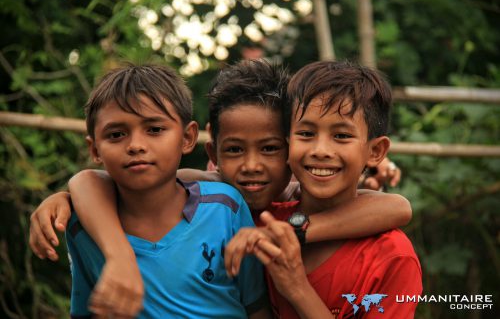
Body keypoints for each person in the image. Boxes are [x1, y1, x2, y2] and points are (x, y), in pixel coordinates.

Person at [29, 59, 412, 317]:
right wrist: (67, 198)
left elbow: (397, 207)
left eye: (270, 148)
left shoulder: (274, 213)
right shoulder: (225, 205)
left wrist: (294, 239)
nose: (251, 166)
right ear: (211, 152)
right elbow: (104, 180)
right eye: (234, 150)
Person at [61, 64, 271, 318]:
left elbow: (257, 307)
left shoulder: (225, 208)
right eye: (116, 134)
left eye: (154, 129)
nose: (136, 145)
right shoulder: (82, 227)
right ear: (94, 150)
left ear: (187, 138)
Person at [231, 60, 422, 318]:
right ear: (288, 143)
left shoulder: (392, 257)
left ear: (375, 151)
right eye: (306, 133)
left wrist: (297, 287)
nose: (320, 150)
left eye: (342, 136)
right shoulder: (257, 223)